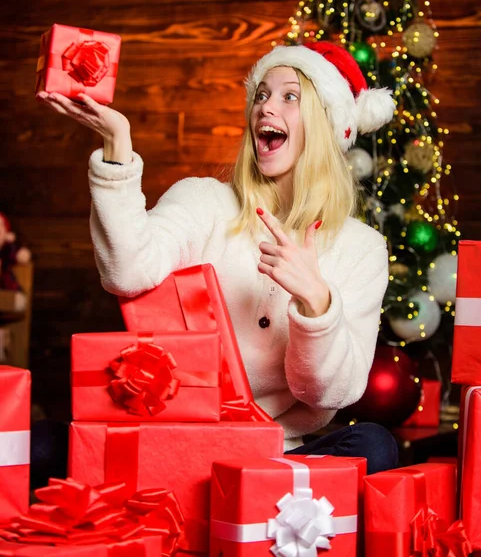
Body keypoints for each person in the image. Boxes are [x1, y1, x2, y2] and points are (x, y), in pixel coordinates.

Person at [37, 41, 399, 474]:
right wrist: (117, 146)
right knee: (39, 445)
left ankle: (232, 503)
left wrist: (316, 305)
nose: (265, 108)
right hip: (174, 439)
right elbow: (128, 272)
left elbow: (328, 395)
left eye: (289, 97)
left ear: (326, 124)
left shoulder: (362, 249)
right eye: (261, 95)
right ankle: (220, 503)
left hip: (272, 455)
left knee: (375, 447)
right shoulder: (204, 200)